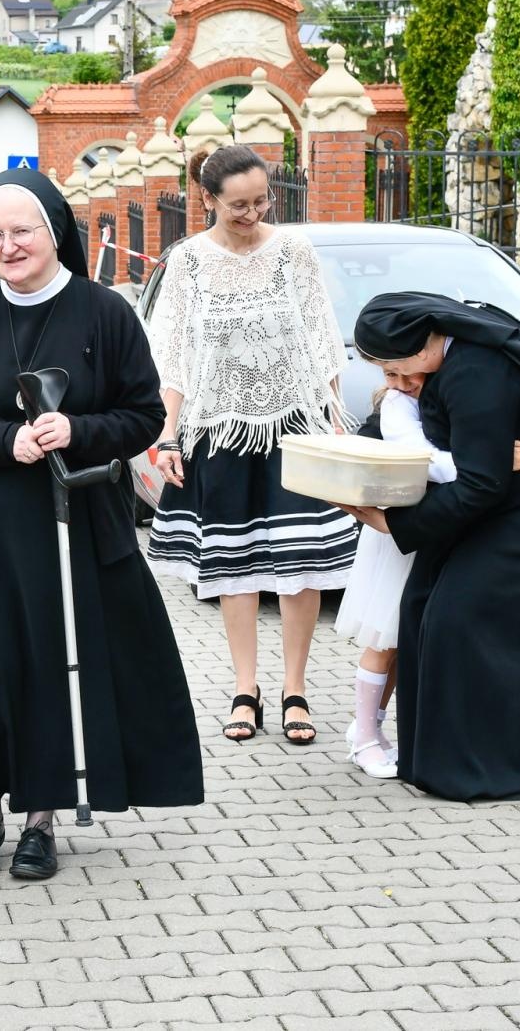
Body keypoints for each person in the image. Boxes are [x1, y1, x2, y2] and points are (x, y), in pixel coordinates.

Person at [0, 168, 204, 880]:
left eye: (22, 231)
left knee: (50, 665)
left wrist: (76, 429)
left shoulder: (104, 312)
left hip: (70, 523)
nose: (7, 247)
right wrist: (1, 439)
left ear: (54, 231)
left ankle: (40, 818)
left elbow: (144, 414)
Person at [338, 291, 520, 801]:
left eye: (396, 369)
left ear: (421, 349)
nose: (397, 382)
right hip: (505, 506)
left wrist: (395, 525)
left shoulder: (473, 371)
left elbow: (482, 482)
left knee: (460, 618)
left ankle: (499, 757)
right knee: (424, 607)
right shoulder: (450, 358)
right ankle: (451, 751)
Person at [145, 144, 356, 745]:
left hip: (295, 427)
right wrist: (168, 435)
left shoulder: (294, 251)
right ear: (207, 198)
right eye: (239, 204)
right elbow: (174, 355)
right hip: (220, 431)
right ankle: (246, 688)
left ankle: (295, 688)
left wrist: (333, 420)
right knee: (233, 564)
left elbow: (321, 336)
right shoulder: (188, 261)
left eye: (262, 200)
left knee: (300, 564)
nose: (253, 212)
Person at [334, 376, 520, 779]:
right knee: (385, 639)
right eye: (391, 374)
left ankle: (369, 724)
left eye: (407, 374)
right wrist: (493, 460)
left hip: (432, 526)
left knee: (402, 639)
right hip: (402, 532)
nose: (402, 383)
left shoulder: (443, 393)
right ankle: (363, 738)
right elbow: (426, 460)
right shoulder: (396, 405)